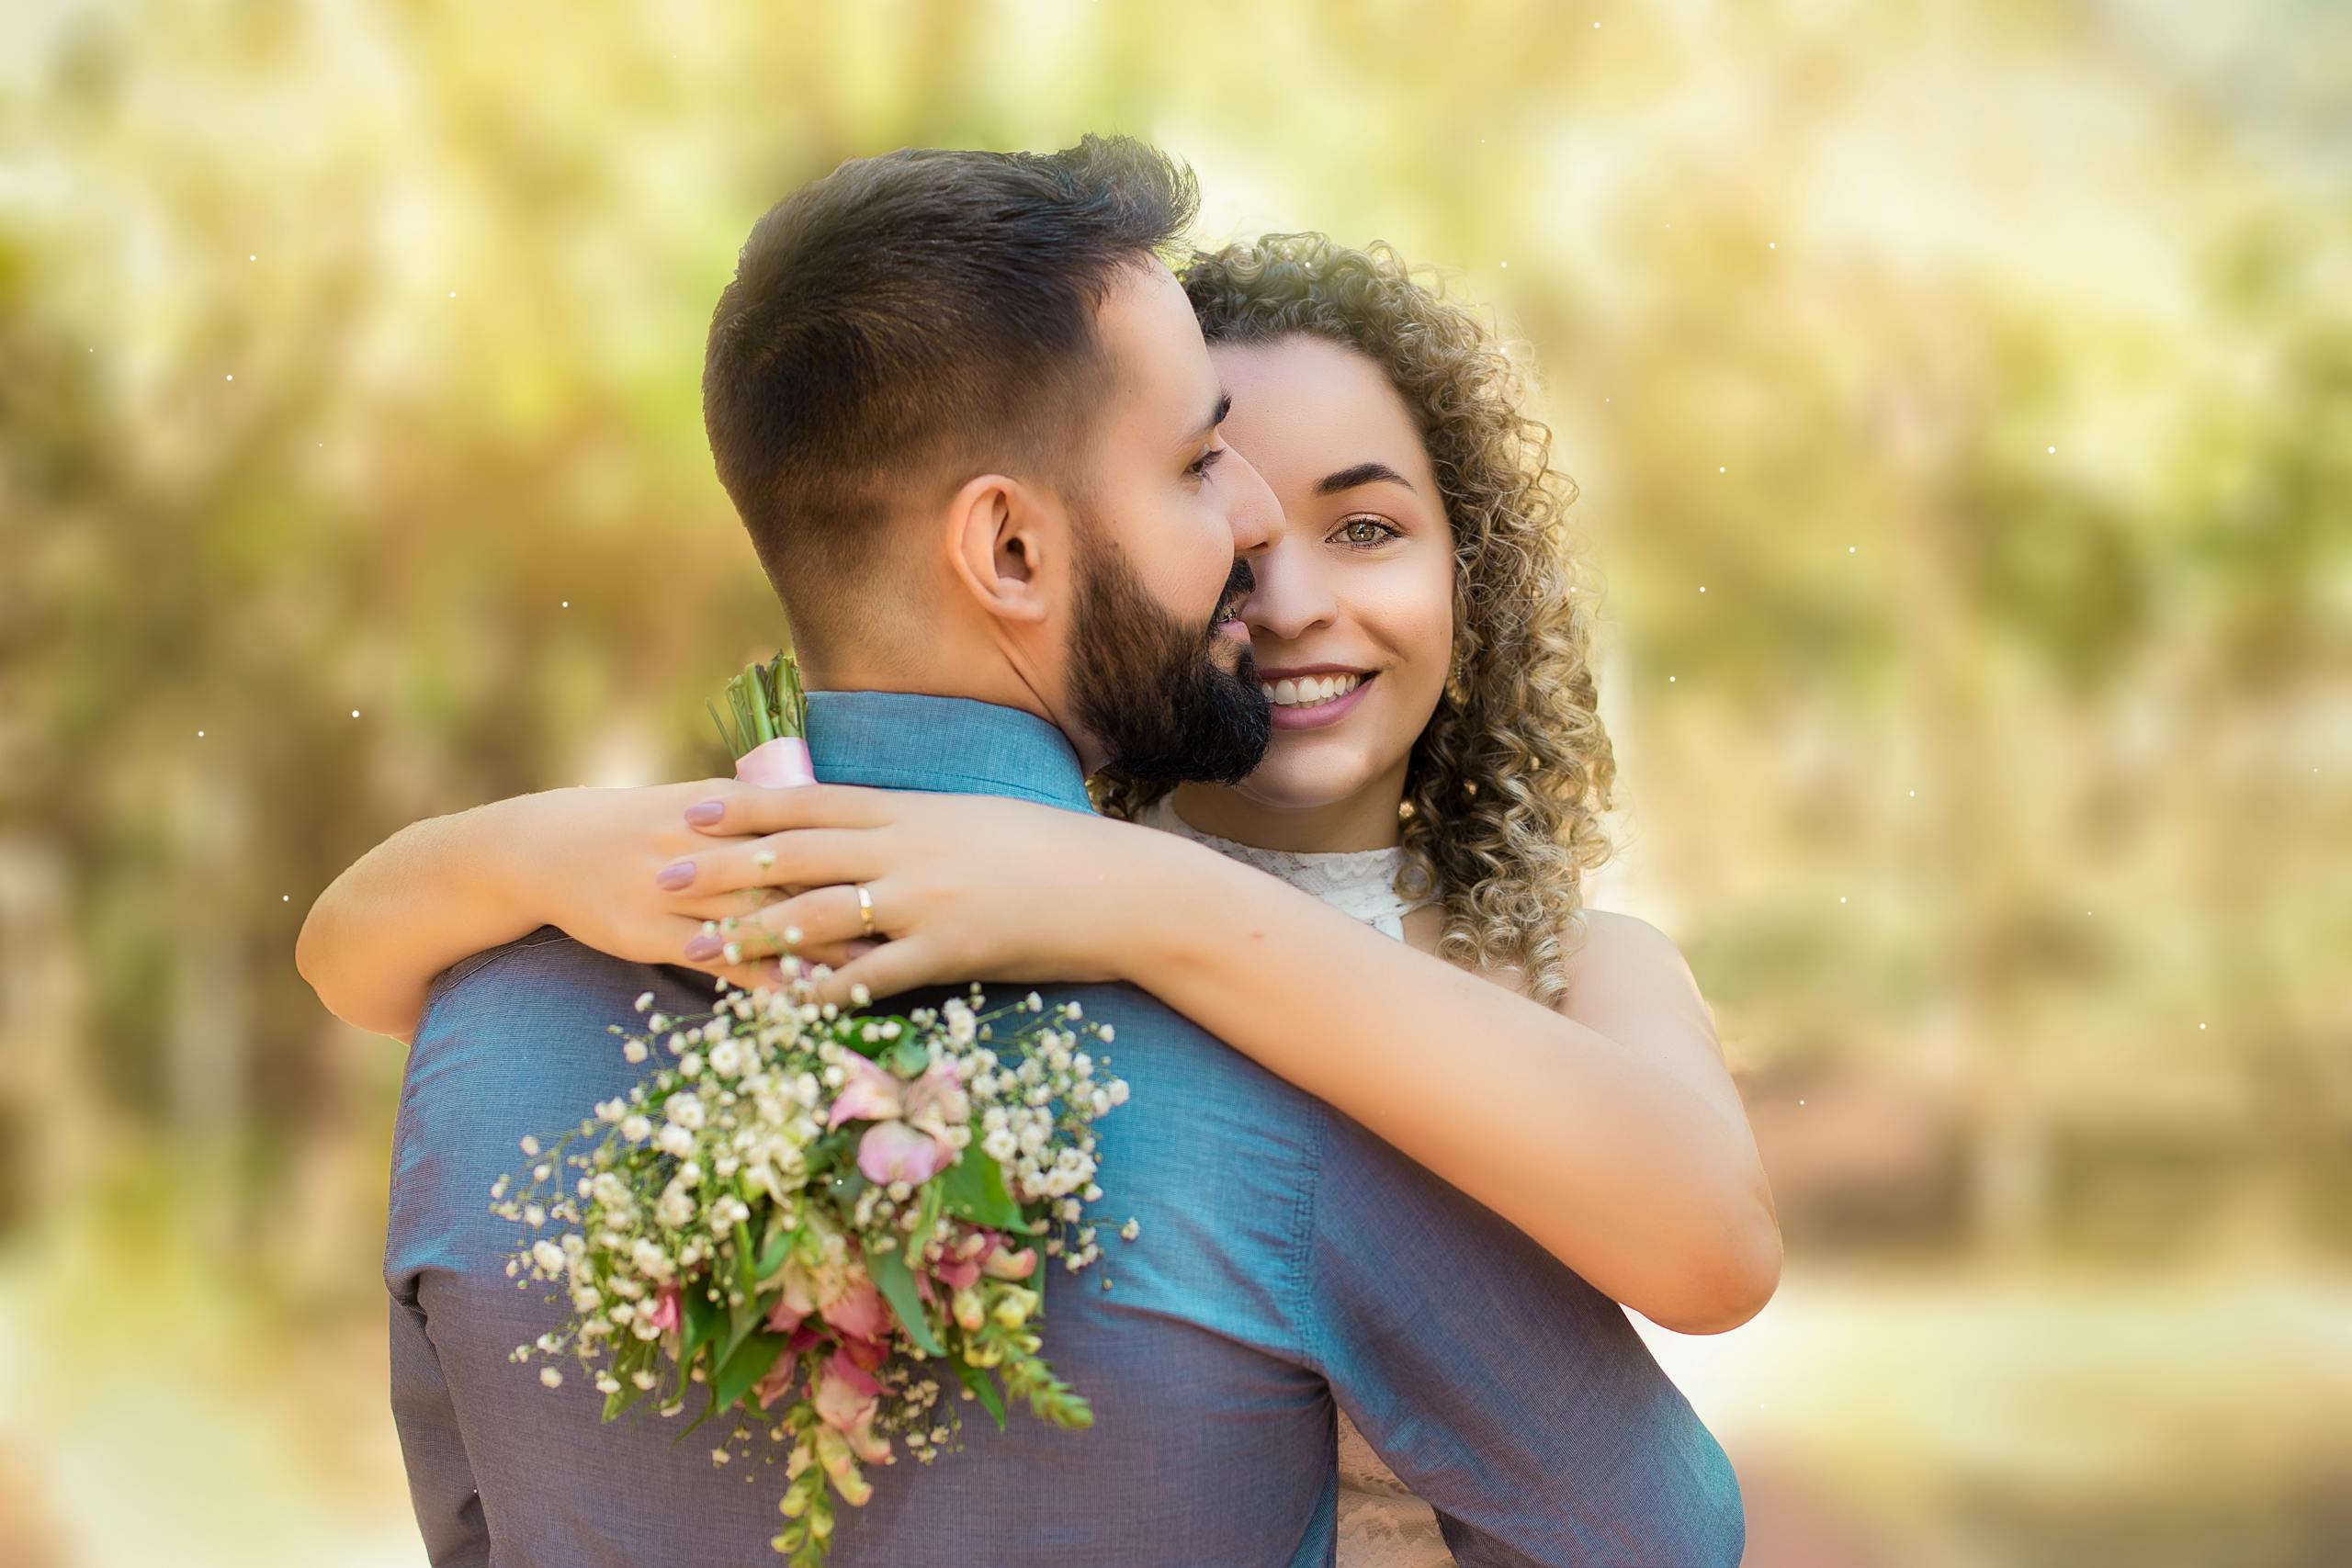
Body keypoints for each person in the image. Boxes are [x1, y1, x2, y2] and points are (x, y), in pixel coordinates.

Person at [303, 137, 1753, 1565]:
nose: (1255, 540)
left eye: (1364, 521)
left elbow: (474, 1521)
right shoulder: (1293, 1072)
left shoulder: (482, 1028)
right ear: (1007, 552)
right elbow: (1654, 1535)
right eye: (1199, 467)